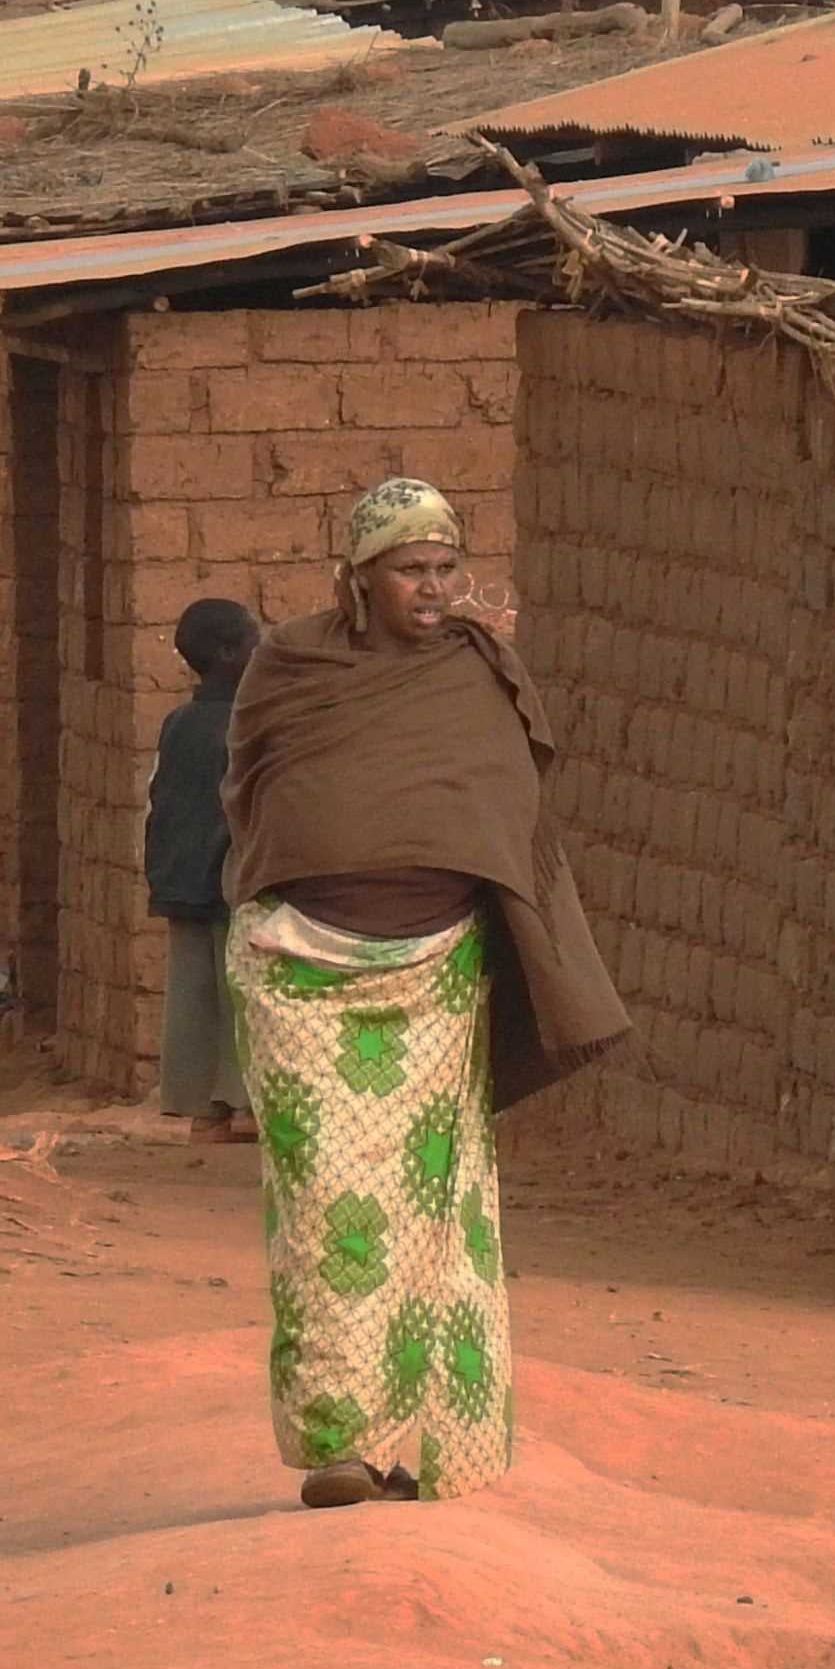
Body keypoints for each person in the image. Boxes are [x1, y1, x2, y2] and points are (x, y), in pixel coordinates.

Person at [218, 478, 624, 1511]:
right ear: (356, 581)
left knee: (431, 1205)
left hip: (438, 971)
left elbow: (512, 801)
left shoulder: (477, 670)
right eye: (410, 571)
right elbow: (257, 788)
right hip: (299, 971)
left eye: (447, 569)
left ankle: (426, 1444)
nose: (432, 590)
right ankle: (341, 1442)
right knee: (327, 1206)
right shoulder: (292, 665)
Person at [147, 595, 259, 1139]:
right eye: (251, 642)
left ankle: (201, 1110)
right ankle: (242, 1106)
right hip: (229, 874)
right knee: (240, 991)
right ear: (226, 653)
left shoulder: (178, 722)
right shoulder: (247, 725)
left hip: (179, 874)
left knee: (192, 995)